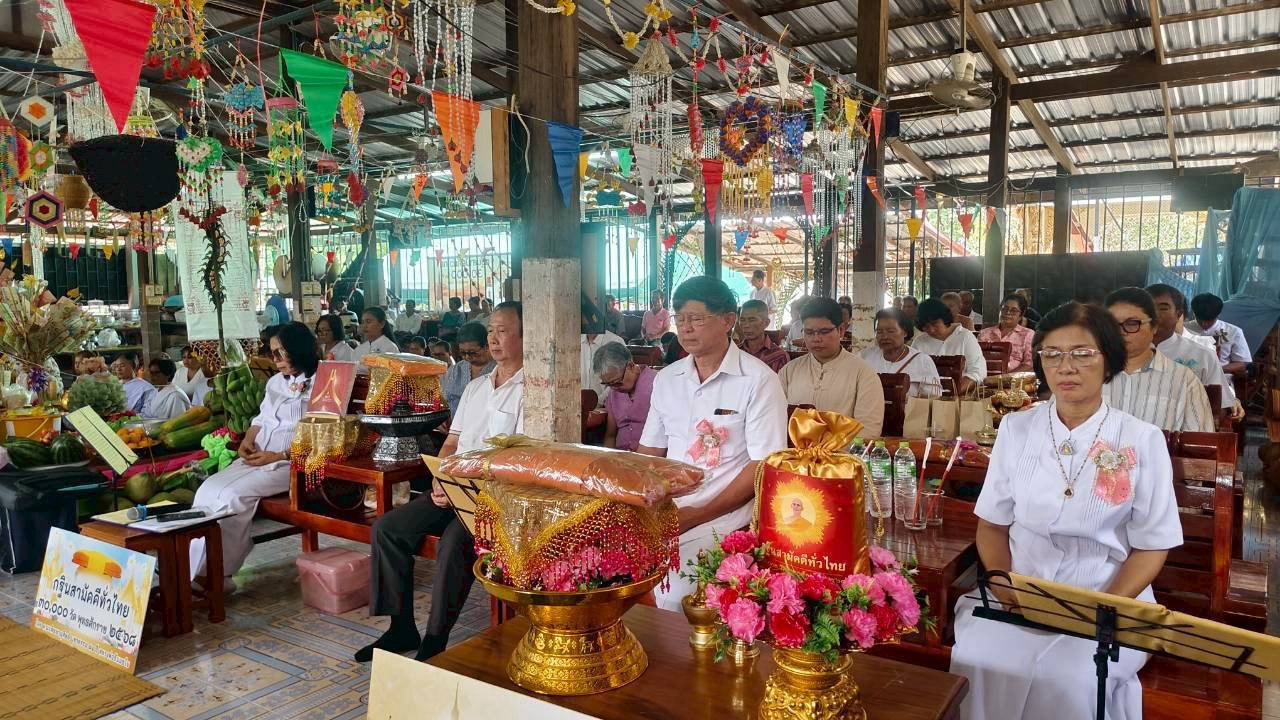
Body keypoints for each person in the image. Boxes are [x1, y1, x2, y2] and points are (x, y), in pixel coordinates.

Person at [950, 301, 1182, 720]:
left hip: (1107, 598)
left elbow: (1151, 546)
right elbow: (992, 526)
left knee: (1072, 678)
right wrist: (1008, 593)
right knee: (981, 656)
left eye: (1082, 353)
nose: (1066, 367)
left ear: (1108, 358)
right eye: (1052, 354)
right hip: (1020, 594)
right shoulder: (1016, 429)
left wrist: (1103, 606)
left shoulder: (1140, 439)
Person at [358, 302, 525, 663]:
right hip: (453, 487)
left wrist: (466, 478)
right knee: (388, 528)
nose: (493, 339)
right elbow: (452, 441)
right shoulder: (476, 388)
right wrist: (440, 477)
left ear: (526, 337)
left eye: (503, 331)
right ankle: (400, 626)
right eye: (491, 331)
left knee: (453, 543)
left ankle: (435, 640)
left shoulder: (533, 390)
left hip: (495, 497)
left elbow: (521, 458)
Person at [637, 276, 787, 610]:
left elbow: (763, 466)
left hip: (724, 517)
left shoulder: (758, 380)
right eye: (681, 318)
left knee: (672, 592)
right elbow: (649, 452)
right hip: (665, 511)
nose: (686, 328)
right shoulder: (667, 378)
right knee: (600, 568)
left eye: (696, 318)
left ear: (727, 320)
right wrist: (632, 499)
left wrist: (697, 514)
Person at [189, 322, 319, 588]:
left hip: (292, 463)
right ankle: (194, 568)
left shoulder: (322, 383)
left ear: (298, 349)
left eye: (280, 353)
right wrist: (247, 441)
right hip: (258, 456)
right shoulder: (274, 382)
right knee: (206, 490)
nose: (275, 360)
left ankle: (219, 573)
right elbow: (261, 418)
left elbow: (326, 434)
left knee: (232, 497)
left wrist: (278, 455)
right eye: (272, 353)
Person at [1103, 288, 1214, 433]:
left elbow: (1200, 444)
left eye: (1132, 323)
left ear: (1154, 326)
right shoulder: (1088, 375)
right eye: (1112, 324)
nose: (1121, 331)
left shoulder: (1184, 381)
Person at [779, 298, 884, 436]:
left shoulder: (863, 374)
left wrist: (832, 455)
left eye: (824, 332)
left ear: (841, 330)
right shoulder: (789, 371)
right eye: (809, 332)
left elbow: (868, 431)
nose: (816, 338)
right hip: (795, 455)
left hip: (842, 455)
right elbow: (774, 420)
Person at [1145, 284, 1242, 420]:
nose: (1154, 315)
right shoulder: (1125, 351)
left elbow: (1218, 406)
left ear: (1179, 315)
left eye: (1163, 308)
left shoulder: (1204, 353)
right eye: (1147, 308)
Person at [860, 308, 943, 398]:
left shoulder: (922, 361)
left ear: (905, 332)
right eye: (879, 332)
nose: (884, 336)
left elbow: (934, 397)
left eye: (891, 331)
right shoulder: (864, 357)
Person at [911, 298, 986, 395]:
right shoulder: (919, 342)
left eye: (935, 324)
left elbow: (978, 371)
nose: (931, 330)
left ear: (945, 318)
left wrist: (954, 392)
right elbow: (913, 373)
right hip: (926, 397)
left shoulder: (965, 337)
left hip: (960, 395)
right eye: (926, 326)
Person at [594, 342, 656, 452]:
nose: (613, 388)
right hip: (620, 457)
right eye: (608, 384)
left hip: (649, 459)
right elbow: (610, 435)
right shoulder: (613, 393)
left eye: (617, 382)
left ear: (631, 366)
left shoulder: (657, 383)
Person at [1187, 292, 1252, 373]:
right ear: (1194, 313)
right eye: (1200, 319)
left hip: (1219, 378)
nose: (1204, 324)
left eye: (1209, 320)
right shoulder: (1183, 329)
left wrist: (1215, 370)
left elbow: (1242, 363)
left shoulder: (1233, 331)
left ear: (1218, 314)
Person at [441, 323, 494, 420]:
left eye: (472, 352)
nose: (467, 357)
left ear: (487, 346)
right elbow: (443, 399)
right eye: (463, 353)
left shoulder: (498, 370)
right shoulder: (456, 370)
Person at [580, 294, 625, 406]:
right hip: (578, 407)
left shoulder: (615, 342)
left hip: (605, 408)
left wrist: (597, 403)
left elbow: (618, 383)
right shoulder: (572, 344)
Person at [978, 294, 1035, 372]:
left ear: (1021, 315)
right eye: (1005, 309)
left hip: (1014, 381)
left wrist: (1005, 379)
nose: (1008, 312)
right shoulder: (985, 334)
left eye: (1013, 310)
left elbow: (1029, 364)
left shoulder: (1028, 335)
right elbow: (975, 360)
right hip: (984, 379)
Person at [737, 299, 789, 373]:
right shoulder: (736, 352)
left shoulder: (779, 356)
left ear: (766, 323)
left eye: (752, 320)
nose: (746, 325)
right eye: (742, 320)